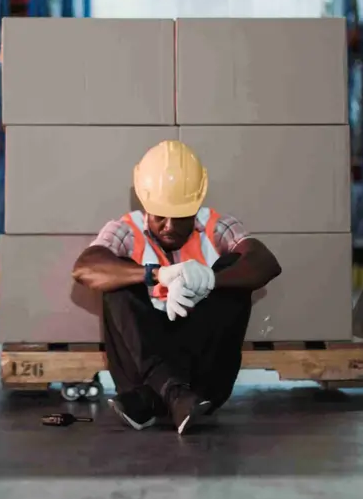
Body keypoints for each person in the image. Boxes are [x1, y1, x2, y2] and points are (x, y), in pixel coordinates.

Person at [71, 140, 282, 434]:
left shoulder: (217, 225)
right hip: (143, 370)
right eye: (159, 215)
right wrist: (155, 274)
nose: (169, 226)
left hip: (205, 378)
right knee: (116, 282)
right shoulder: (126, 228)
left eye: (180, 216)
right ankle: (174, 395)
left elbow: (266, 263)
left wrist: (212, 280)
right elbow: (85, 267)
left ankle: (155, 400)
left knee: (235, 271)